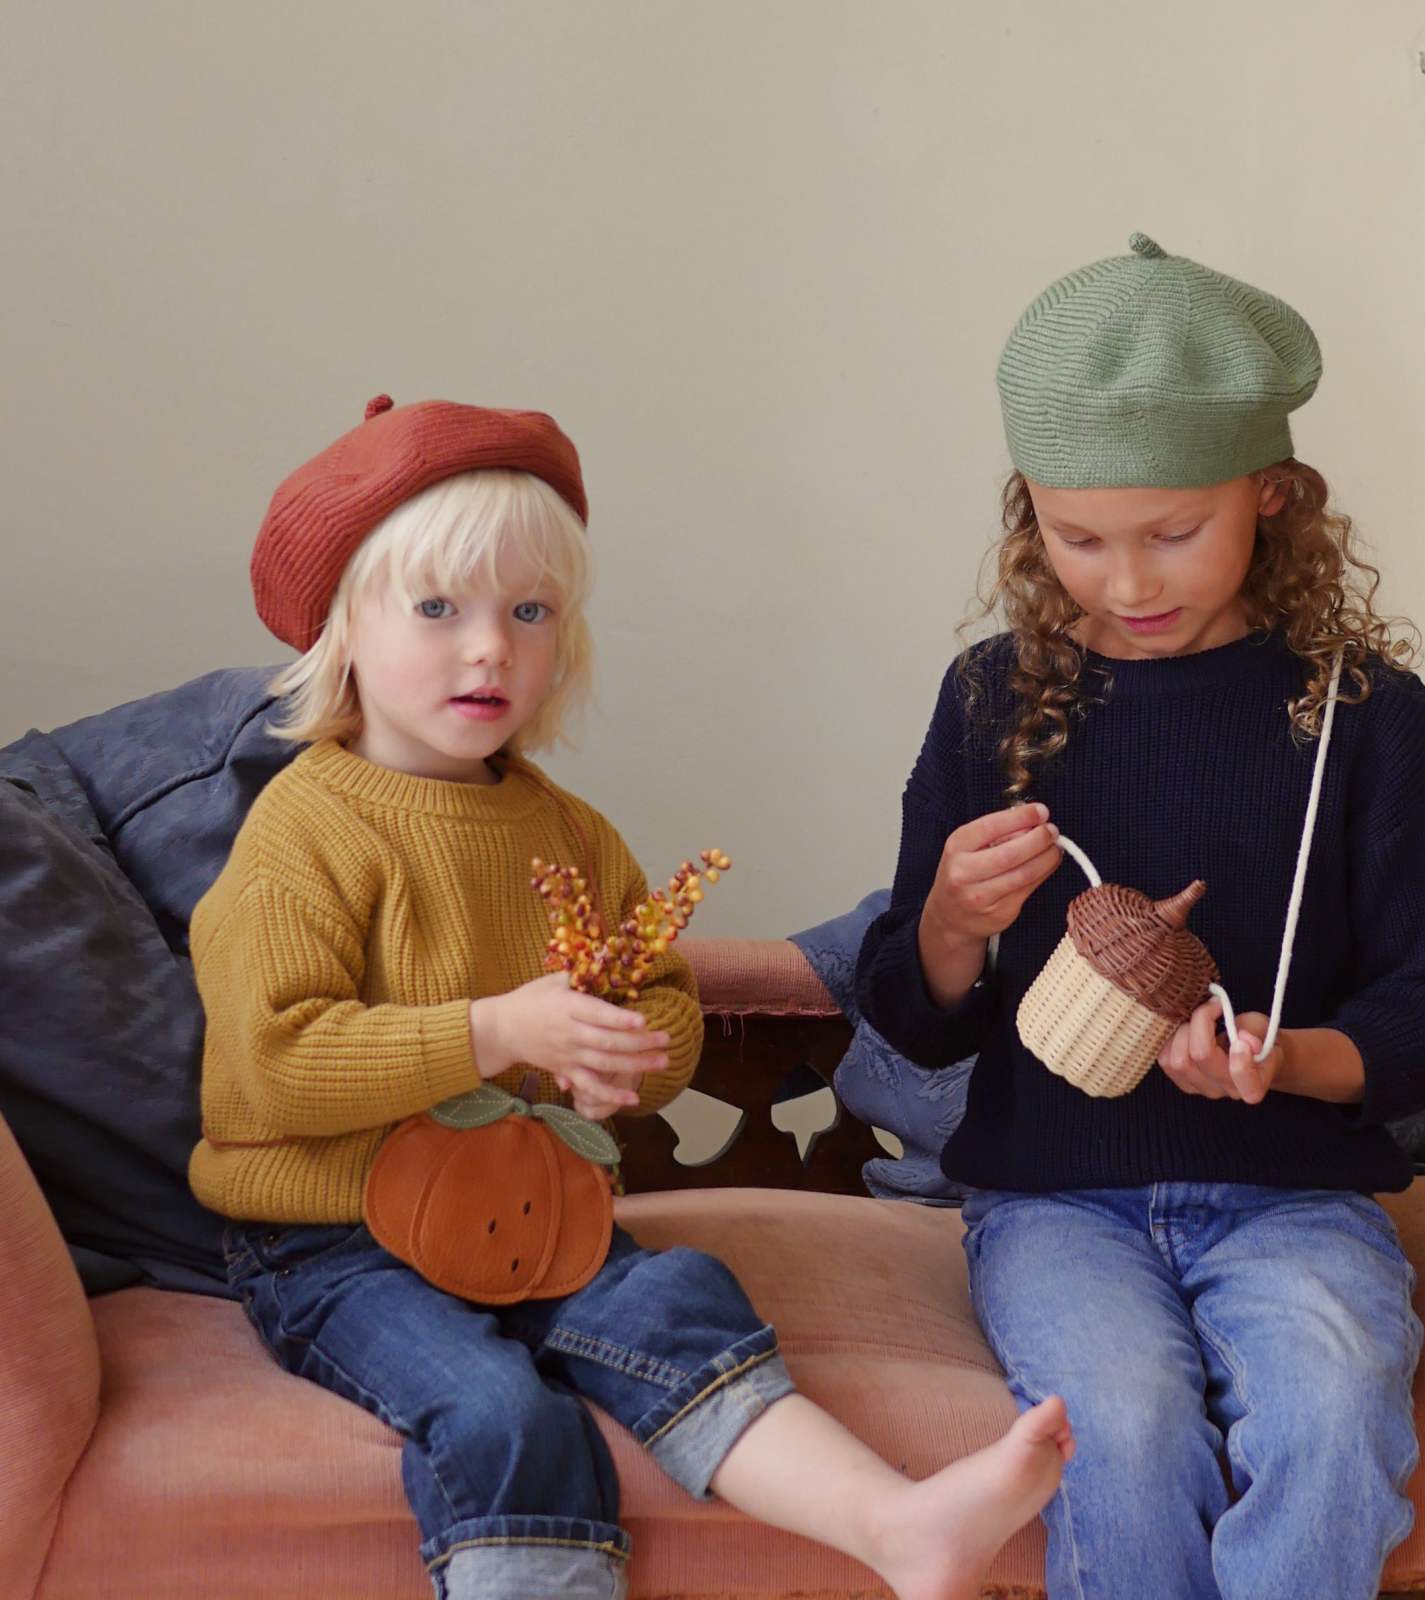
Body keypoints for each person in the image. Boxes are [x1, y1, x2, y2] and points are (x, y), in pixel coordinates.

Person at [190, 394, 1071, 1600]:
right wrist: (496, 1029)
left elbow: (662, 1008)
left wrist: (624, 1054)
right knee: (498, 1405)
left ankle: (896, 1524)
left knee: (675, 1300)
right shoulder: (306, 830)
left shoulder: (566, 831)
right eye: (438, 608)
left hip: (532, 1207)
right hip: (331, 1239)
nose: (489, 646)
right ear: (342, 626)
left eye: (529, 611)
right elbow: (272, 1064)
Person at [856, 234, 1425, 1600]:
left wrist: (1292, 1058)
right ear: (1027, 509)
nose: (1128, 582)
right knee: (1126, 1431)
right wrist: (954, 922)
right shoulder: (992, 699)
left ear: (1273, 496)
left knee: (1330, 1411)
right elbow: (913, 1014)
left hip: (1294, 1198)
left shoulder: (1364, 717)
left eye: (1174, 533)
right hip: (1056, 1202)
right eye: (1077, 537)